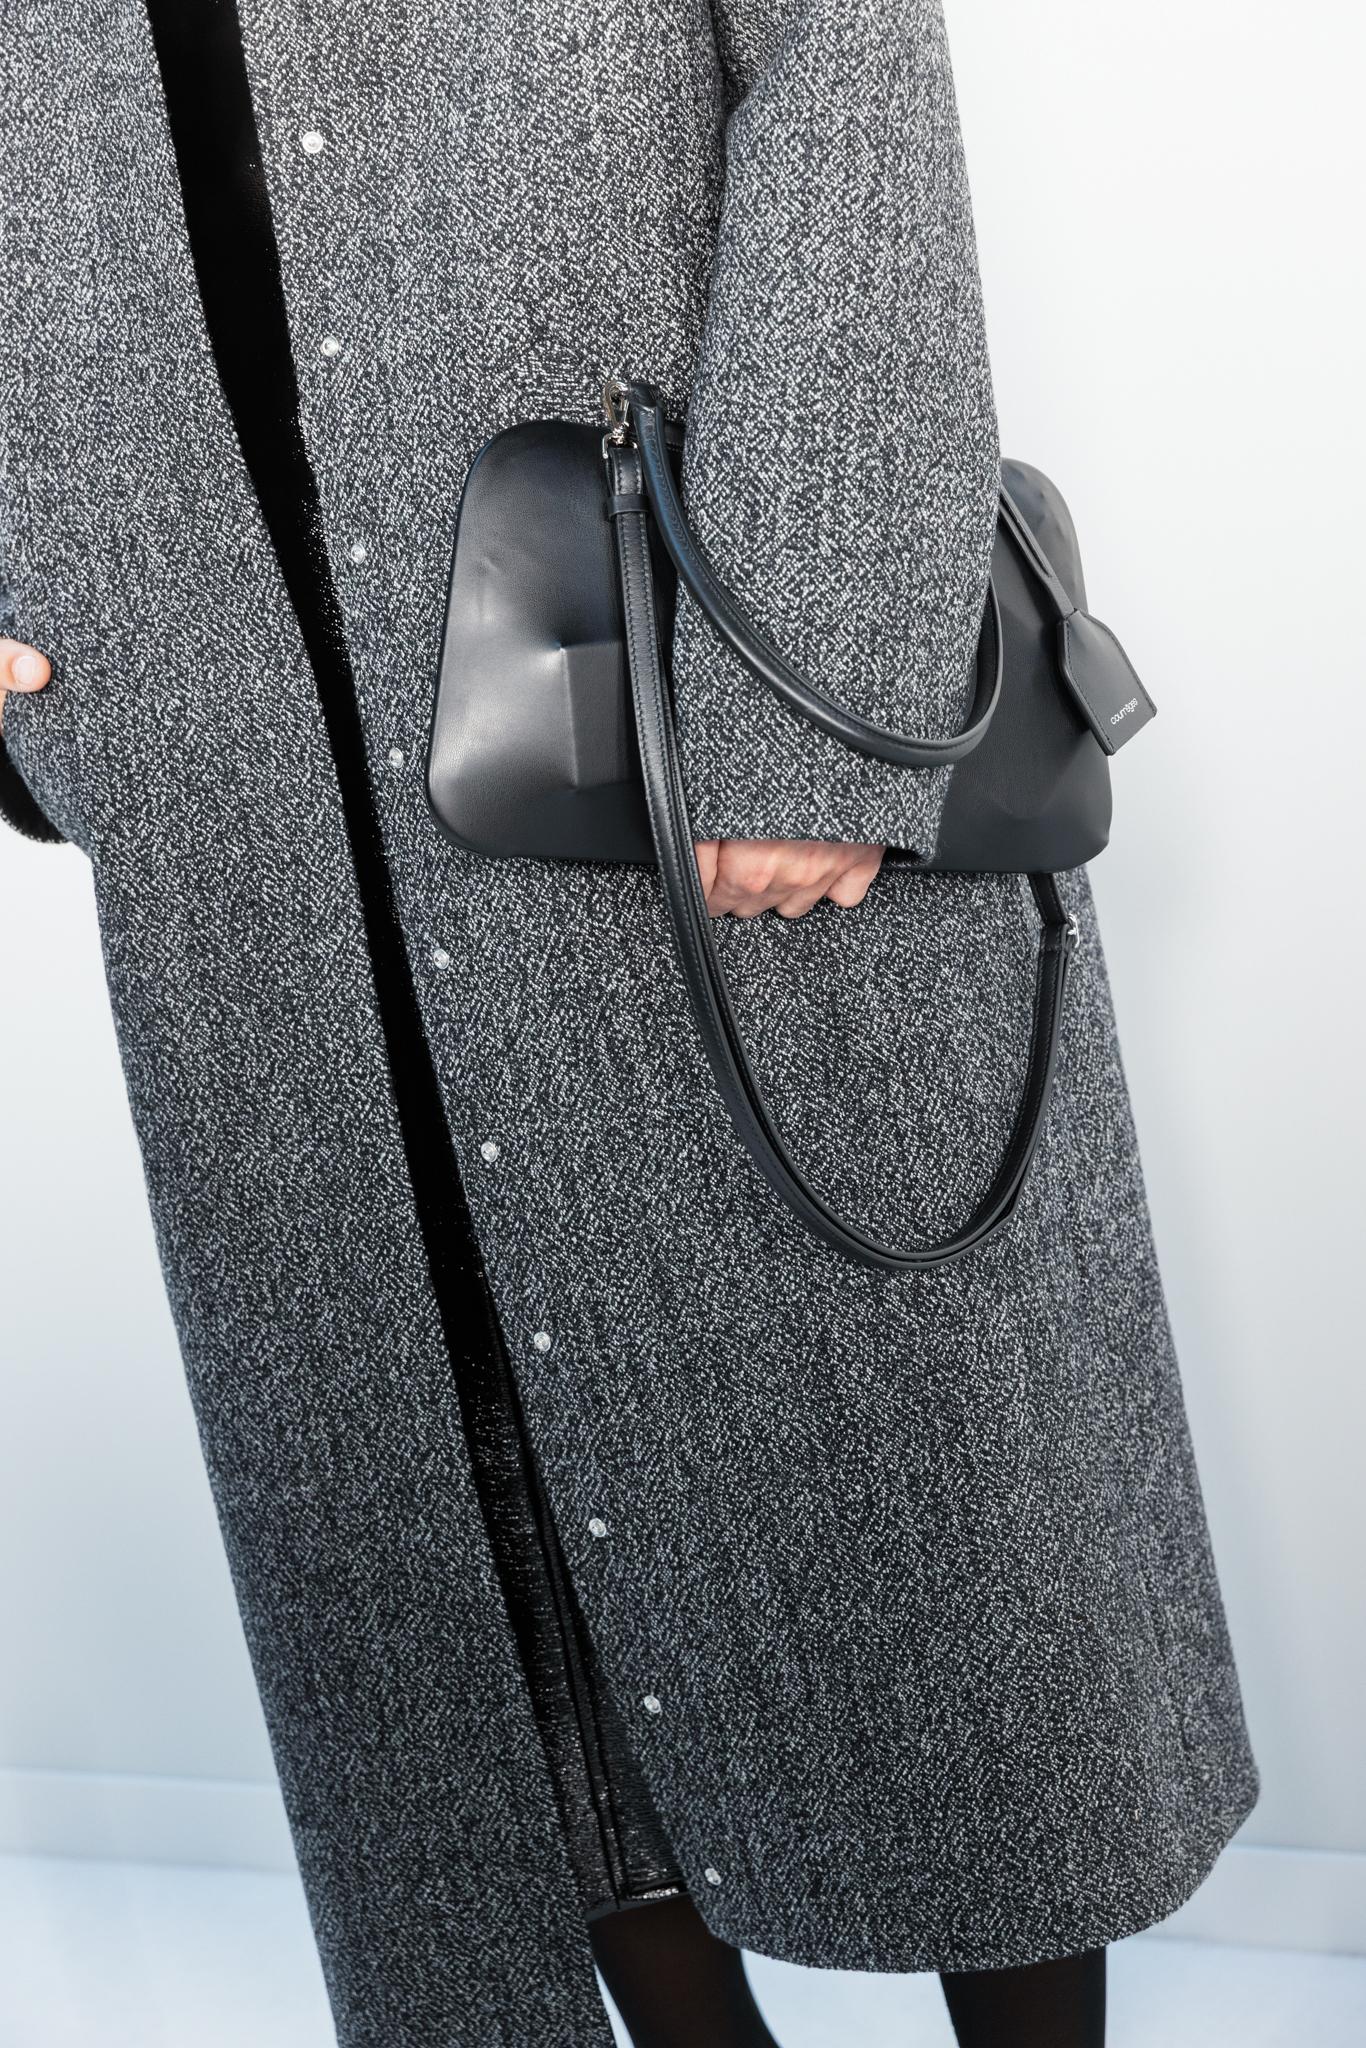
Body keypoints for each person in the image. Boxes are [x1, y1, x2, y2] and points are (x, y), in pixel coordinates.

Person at [0, 2, 1256, 2044]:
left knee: (915, 1495)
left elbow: (845, 63)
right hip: (243, 779)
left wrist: (813, 703)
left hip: (672, 683)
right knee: (469, 1514)